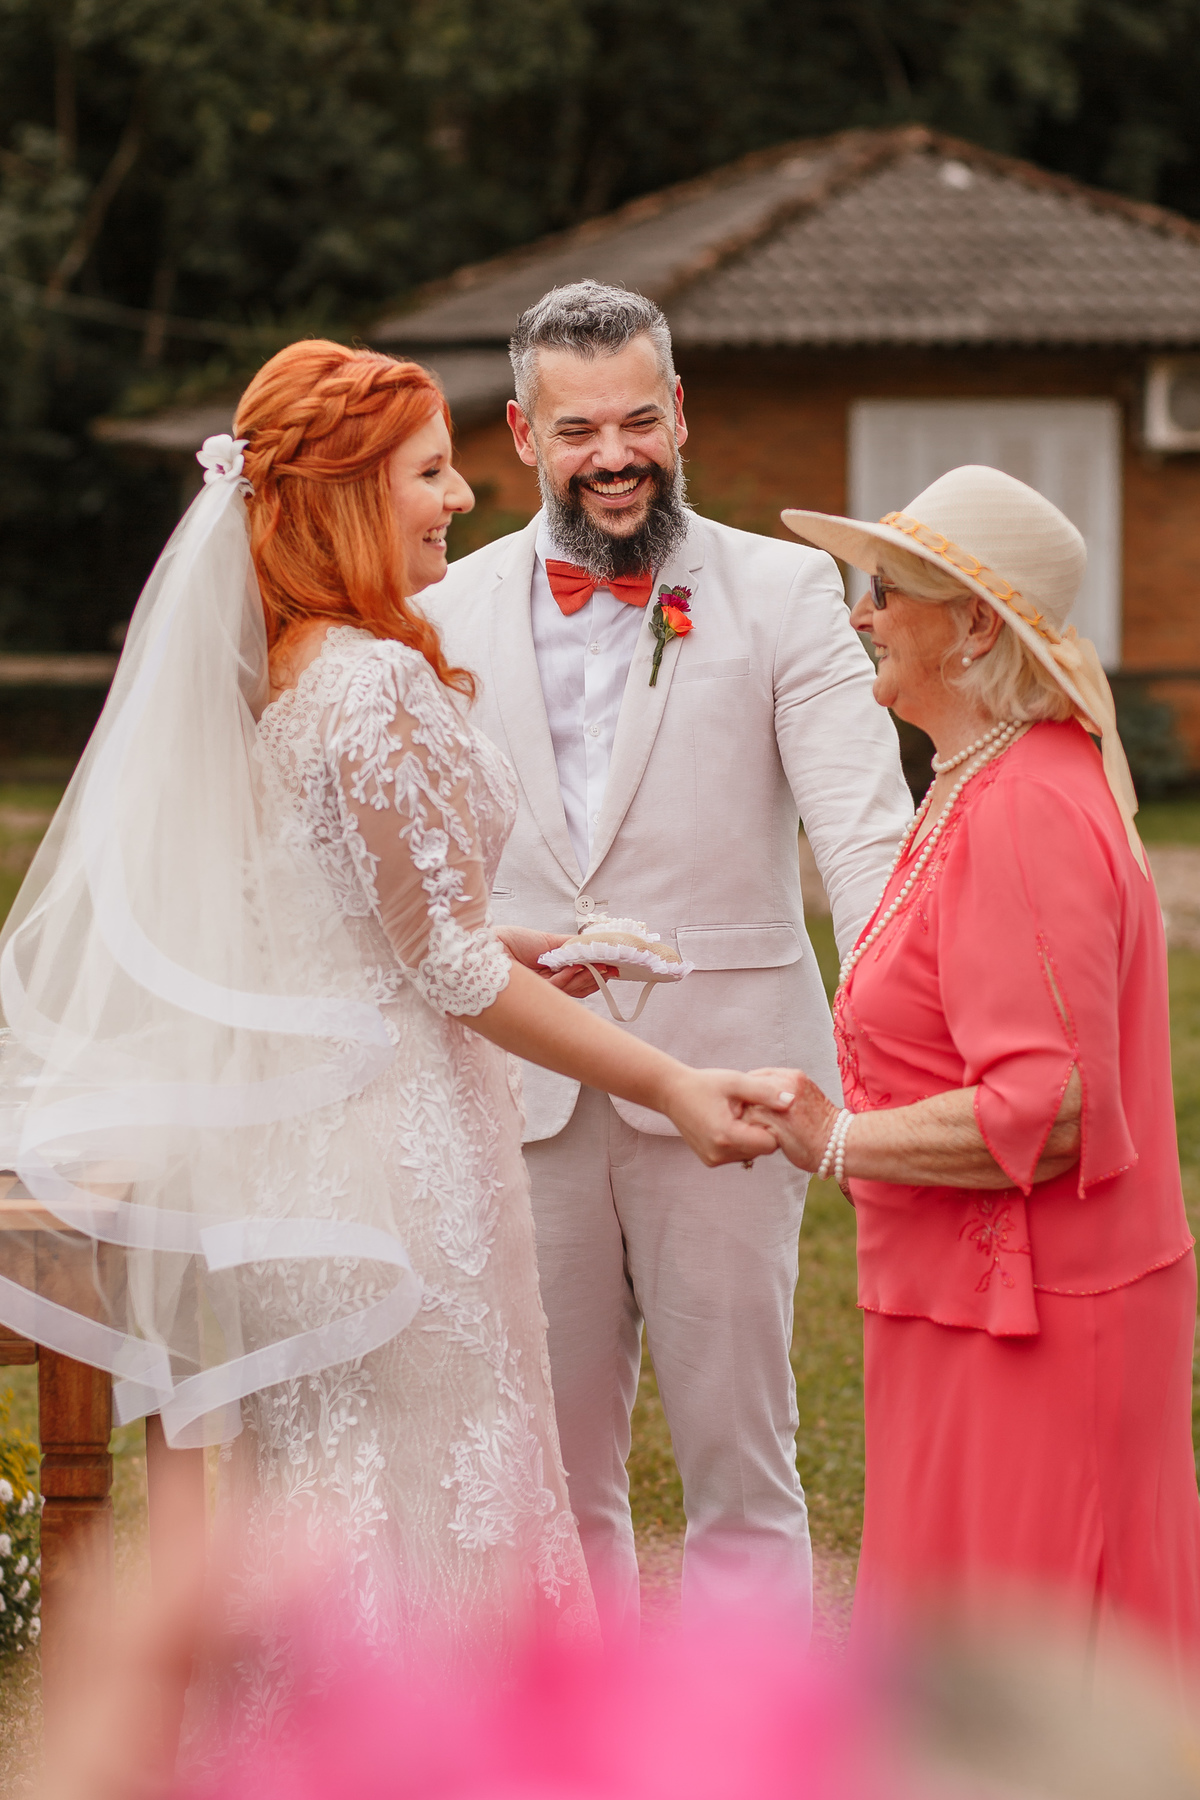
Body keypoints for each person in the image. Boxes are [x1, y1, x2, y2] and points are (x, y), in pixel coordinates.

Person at [0, 342, 790, 1703]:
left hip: (309, 1173)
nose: (461, 498)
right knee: (438, 1527)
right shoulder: (375, 682)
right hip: (403, 1177)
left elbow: (341, 920)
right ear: (349, 496)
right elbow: (450, 972)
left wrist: (525, 944)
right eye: (430, 473)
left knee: (338, 1520)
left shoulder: (281, 676)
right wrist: (672, 1081)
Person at [421, 281, 913, 1635]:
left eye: (639, 420)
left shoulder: (784, 589)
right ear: (522, 434)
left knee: (743, 1466)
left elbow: (866, 836)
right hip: (521, 1086)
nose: (614, 455)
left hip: (735, 1082)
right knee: (552, 1476)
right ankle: (581, 1736)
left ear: (680, 413)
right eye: (579, 430)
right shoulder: (443, 608)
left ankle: (749, 1736)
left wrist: (895, 1056)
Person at [756, 464, 1200, 1668]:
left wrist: (835, 1140)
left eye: (885, 590)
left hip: (1036, 1331)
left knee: (1025, 1681)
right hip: (974, 1314)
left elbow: (1047, 1110)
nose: (860, 614)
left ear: (975, 627)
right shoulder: (983, 779)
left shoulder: (1022, 807)